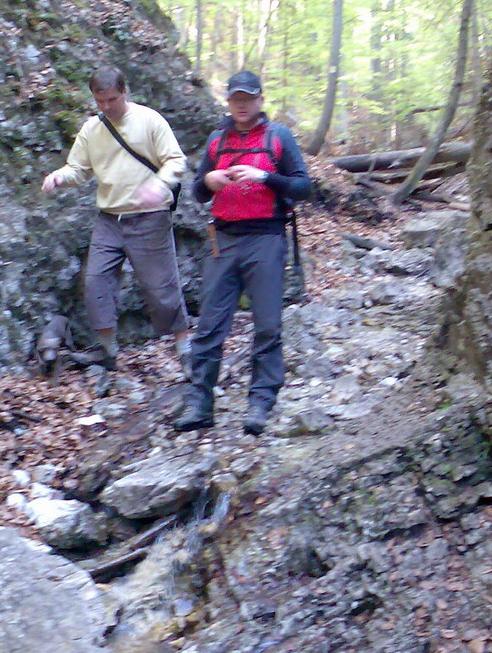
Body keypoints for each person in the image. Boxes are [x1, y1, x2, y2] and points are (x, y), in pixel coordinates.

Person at [173, 70, 312, 435]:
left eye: (248, 98)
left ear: (260, 100)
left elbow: (304, 187)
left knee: (267, 324)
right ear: (228, 101)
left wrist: (265, 178)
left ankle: (260, 402)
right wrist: (207, 180)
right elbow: (198, 193)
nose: (242, 105)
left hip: (266, 239)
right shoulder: (217, 140)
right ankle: (199, 403)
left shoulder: (278, 137)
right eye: (236, 99)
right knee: (209, 325)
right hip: (224, 240)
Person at [41, 66, 191, 374]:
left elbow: (176, 161)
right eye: (100, 101)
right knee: (96, 282)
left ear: (125, 92)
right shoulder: (92, 130)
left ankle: (186, 350)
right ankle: (108, 353)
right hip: (109, 218)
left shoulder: (149, 121)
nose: (106, 107)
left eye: (112, 100)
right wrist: (58, 178)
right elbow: (78, 169)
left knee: (161, 288)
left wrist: (158, 185)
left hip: (150, 218)